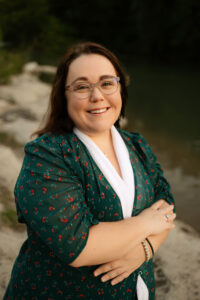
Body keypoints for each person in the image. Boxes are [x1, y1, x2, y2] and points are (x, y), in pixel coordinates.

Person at [3, 42, 176, 300]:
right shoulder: (48, 155)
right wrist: (146, 223)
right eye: (82, 87)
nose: (97, 96)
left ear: (120, 89)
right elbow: (78, 246)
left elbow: (167, 206)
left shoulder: (136, 145)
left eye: (107, 83)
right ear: (64, 96)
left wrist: (144, 250)